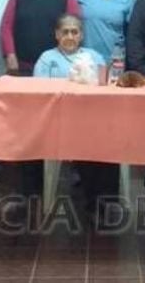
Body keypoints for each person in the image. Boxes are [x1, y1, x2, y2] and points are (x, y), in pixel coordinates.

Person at [33, 15, 115, 217]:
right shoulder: (47, 58)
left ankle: (103, 200)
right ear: (57, 35)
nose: (70, 36)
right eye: (65, 32)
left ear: (81, 35)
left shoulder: (94, 57)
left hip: (91, 119)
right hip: (57, 121)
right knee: (85, 143)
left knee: (110, 141)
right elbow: (36, 94)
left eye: (74, 32)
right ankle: (92, 199)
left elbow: (106, 90)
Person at [0, 0, 80, 76]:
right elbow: (6, 28)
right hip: (22, 67)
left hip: (56, 67)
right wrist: (10, 55)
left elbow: (76, 31)